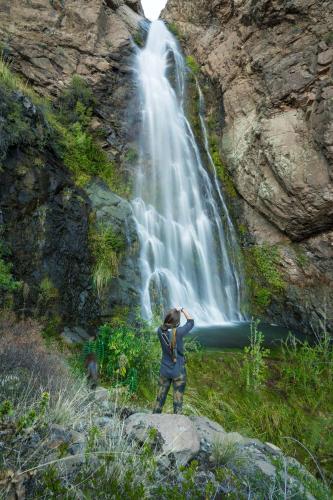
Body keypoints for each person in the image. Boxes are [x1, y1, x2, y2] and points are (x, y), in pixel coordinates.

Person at [153, 307, 194, 414]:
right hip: (178, 371)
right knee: (178, 403)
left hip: (165, 370)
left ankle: (153, 421)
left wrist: (173, 313)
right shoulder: (179, 333)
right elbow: (191, 322)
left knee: (159, 399)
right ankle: (177, 426)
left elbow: (166, 326)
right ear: (177, 323)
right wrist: (183, 309)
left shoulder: (159, 331)